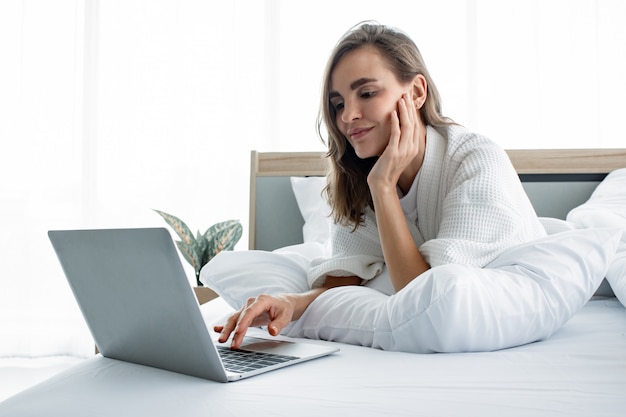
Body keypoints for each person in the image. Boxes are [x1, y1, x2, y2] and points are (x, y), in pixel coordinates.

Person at [215, 22, 546, 349]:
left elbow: (425, 301)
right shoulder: (359, 176)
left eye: (367, 93)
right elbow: (347, 278)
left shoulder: (474, 158)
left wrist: (384, 187)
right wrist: (291, 303)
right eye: (338, 103)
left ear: (415, 92)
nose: (347, 116)